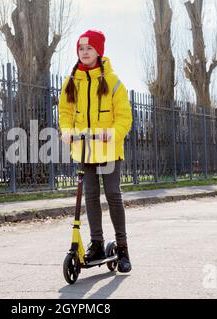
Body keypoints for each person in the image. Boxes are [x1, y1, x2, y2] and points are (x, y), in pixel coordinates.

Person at [58, 30, 133, 273]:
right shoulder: (72, 82)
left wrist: (114, 132)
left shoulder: (113, 82)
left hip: (109, 148)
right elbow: (65, 113)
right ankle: (97, 243)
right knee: (90, 196)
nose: (85, 52)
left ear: (99, 51)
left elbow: (124, 115)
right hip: (84, 148)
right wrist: (67, 130)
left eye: (89, 48)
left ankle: (122, 247)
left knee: (112, 194)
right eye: (81, 49)